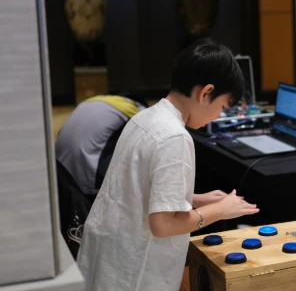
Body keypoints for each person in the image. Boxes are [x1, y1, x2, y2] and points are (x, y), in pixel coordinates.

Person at [76, 38, 260, 291]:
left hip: (111, 249)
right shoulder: (174, 137)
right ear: (206, 93)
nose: (218, 115)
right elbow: (162, 224)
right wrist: (221, 210)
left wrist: (197, 199)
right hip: (134, 268)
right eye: (222, 107)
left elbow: (138, 187)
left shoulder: (147, 116)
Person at [55, 93, 149, 258]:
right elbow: (148, 140)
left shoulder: (93, 101)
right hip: (88, 175)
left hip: (62, 170)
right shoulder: (136, 109)